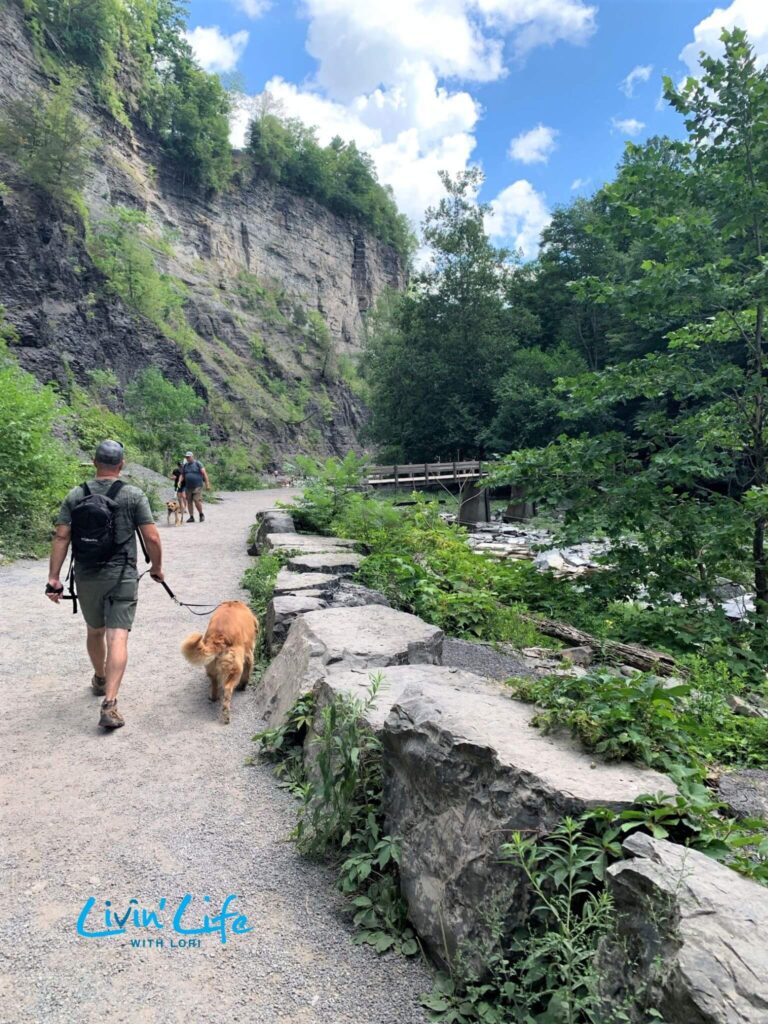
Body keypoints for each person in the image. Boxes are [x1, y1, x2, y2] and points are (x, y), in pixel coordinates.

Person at [46, 440, 165, 730]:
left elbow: (61, 537)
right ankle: (110, 704)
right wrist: (157, 568)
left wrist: (54, 578)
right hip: (122, 574)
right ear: (121, 464)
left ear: (93, 462)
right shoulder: (133, 495)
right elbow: (152, 538)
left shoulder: (76, 495)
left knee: (95, 631)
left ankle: (99, 678)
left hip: (86, 575)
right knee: (118, 637)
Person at [180, 450, 210, 523]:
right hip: (188, 486)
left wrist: (207, 484)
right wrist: (179, 481)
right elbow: (182, 475)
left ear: (192, 457)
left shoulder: (198, 463)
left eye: (189, 457)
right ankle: (191, 517)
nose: (187, 458)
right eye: (186, 457)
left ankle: (201, 514)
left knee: (196, 500)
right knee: (189, 501)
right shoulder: (185, 466)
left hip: (198, 485)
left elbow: (204, 473)